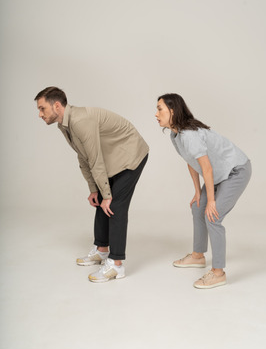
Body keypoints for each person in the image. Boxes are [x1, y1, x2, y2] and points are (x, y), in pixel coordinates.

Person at [35, 86, 149, 283]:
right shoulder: (64, 124)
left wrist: (106, 194)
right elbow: (83, 156)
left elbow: (95, 159)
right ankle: (102, 250)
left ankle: (116, 265)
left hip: (131, 155)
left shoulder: (80, 121)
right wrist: (94, 190)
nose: (40, 114)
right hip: (112, 159)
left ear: (56, 105)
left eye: (42, 108)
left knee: (114, 206)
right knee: (101, 202)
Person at [155, 93, 251, 289]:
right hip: (217, 175)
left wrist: (212, 201)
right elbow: (191, 162)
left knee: (212, 216)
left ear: (172, 111)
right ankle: (198, 256)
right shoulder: (176, 135)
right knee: (199, 207)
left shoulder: (189, 135)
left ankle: (218, 273)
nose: (156, 114)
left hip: (236, 171)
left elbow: (206, 168)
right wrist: (198, 193)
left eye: (160, 109)